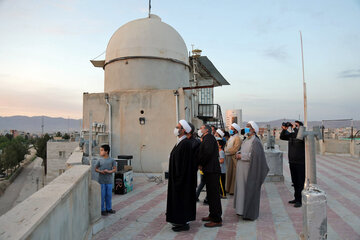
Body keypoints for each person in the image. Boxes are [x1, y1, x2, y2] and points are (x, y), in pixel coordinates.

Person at [234, 121, 269, 220]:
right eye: (246, 126)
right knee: (241, 190)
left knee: (247, 190)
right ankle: (240, 210)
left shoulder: (256, 141)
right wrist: (238, 153)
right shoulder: (246, 140)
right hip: (241, 169)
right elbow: (244, 150)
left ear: (253, 130)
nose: (246, 128)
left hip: (248, 170)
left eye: (248, 127)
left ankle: (248, 211)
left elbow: (255, 156)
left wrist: (242, 156)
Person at [166, 120, 197, 232]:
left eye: (178, 127)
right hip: (176, 177)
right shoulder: (180, 142)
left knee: (182, 200)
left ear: (183, 130)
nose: (176, 129)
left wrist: (179, 179)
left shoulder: (186, 144)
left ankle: (183, 223)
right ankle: (178, 220)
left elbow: (184, 164)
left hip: (181, 179)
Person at [198, 124, 222, 228]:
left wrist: (200, 163)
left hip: (212, 170)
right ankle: (212, 215)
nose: (200, 130)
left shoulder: (208, 138)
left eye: (201, 128)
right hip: (210, 170)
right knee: (211, 194)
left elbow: (206, 154)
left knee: (214, 195)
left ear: (206, 130)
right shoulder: (207, 138)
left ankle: (217, 219)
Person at [280, 120, 305, 208]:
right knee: (294, 181)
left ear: (301, 127)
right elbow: (282, 137)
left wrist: (295, 128)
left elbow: (299, 136)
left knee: (300, 182)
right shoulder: (292, 135)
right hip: (292, 161)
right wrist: (284, 129)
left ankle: (300, 200)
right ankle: (296, 198)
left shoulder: (302, 135)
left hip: (300, 162)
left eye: (297, 125)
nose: (294, 126)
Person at [95, 144, 117, 216]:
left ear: (106, 151)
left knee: (109, 195)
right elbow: (96, 169)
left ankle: (109, 208)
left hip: (109, 181)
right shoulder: (100, 160)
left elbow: (114, 169)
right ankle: (102, 209)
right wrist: (100, 171)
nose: (100, 152)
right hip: (101, 181)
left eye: (101, 150)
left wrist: (108, 171)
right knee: (102, 196)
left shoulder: (112, 160)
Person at [225, 123, 242, 195]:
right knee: (228, 174)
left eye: (232, 129)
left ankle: (232, 190)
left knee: (233, 174)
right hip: (228, 157)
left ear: (235, 130)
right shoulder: (231, 138)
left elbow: (235, 149)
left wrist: (227, 151)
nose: (230, 130)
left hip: (233, 158)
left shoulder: (237, 138)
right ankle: (227, 189)